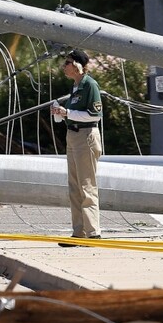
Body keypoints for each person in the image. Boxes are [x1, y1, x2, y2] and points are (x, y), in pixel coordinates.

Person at [50, 49, 103, 243]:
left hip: (86, 135)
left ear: (78, 66)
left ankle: (93, 232)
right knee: (74, 186)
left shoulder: (90, 85)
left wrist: (67, 113)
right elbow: (72, 112)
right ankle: (78, 232)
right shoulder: (76, 86)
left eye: (68, 62)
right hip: (72, 136)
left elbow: (95, 115)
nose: (65, 66)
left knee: (87, 185)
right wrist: (62, 113)